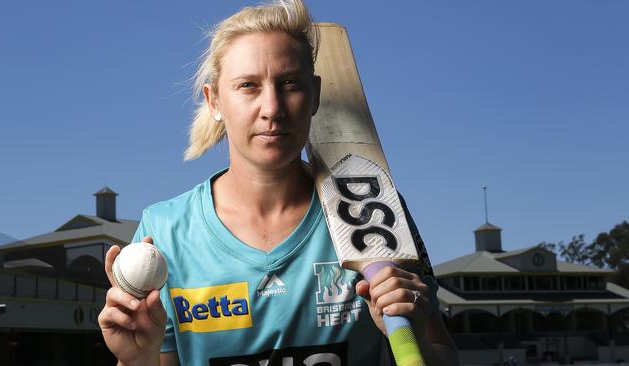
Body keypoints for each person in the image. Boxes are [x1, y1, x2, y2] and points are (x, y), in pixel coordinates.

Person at [98, 1, 459, 365]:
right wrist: (138, 359)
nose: (272, 107)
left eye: (289, 83)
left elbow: (442, 354)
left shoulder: (373, 210)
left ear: (315, 93)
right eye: (248, 86)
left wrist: (413, 340)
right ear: (214, 101)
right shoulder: (165, 231)